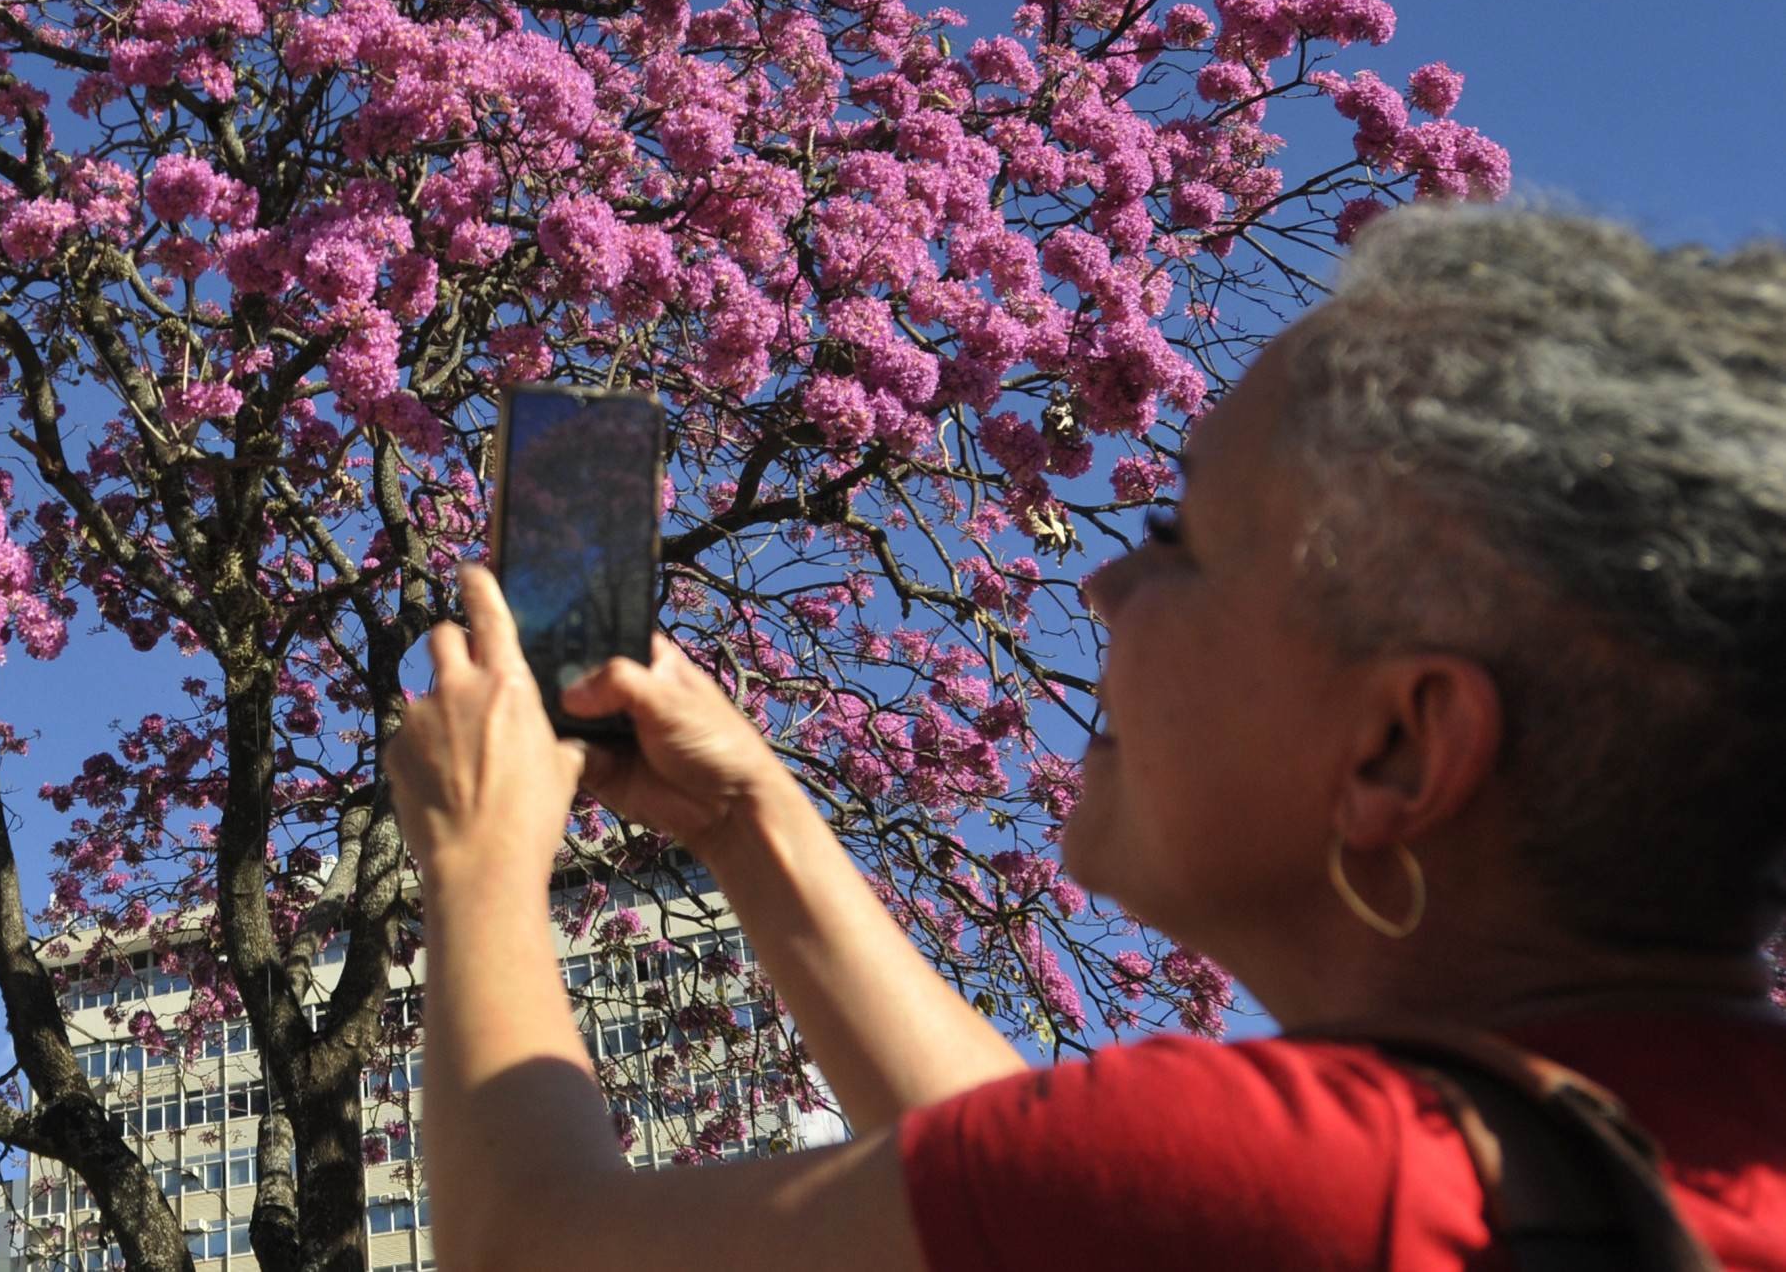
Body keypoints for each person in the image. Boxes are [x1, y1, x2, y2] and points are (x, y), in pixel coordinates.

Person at [385, 204, 1786, 1270]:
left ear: (1401, 752)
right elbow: (1039, 1188)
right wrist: (750, 818)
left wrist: (478, 861)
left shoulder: (1345, 1182)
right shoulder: (1684, 1139)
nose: (1104, 583)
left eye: (1178, 541)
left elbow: (529, 1244)